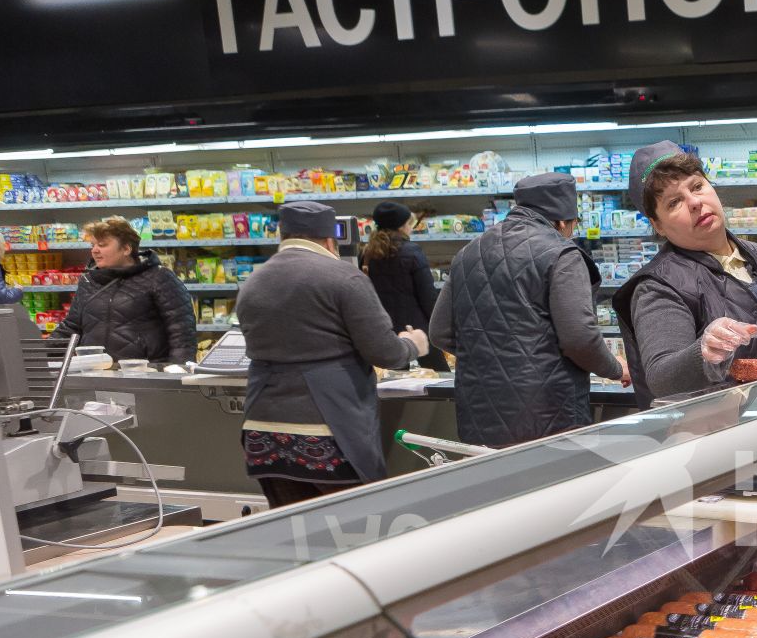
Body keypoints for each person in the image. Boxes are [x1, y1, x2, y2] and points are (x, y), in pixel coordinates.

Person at [617, 141, 757, 407]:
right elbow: (661, 378)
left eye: (697, 186)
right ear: (658, 225)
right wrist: (704, 351)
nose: (694, 202)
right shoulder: (658, 286)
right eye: (674, 202)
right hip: (727, 434)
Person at [236, 201, 429, 507]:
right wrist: (414, 344)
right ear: (329, 241)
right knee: (356, 522)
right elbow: (385, 352)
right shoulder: (343, 278)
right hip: (326, 428)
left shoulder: (253, 282)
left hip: (262, 430)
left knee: (295, 530)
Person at [432, 173, 628, 447]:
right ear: (562, 221)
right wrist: (616, 368)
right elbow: (579, 338)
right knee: (557, 487)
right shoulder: (562, 254)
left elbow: (440, 332)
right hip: (549, 414)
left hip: (479, 412)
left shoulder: (468, 253)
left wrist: (493, 354)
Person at [56, 215, 195, 365]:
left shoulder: (159, 277)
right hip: (94, 373)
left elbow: (181, 332)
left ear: (126, 249)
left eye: (102, 245)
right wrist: (37, 356)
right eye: (93, 245)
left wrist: (177, 372)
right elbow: (71, 327)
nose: (95, 251)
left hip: (144, 374)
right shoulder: (88, 281)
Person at [361, 200, 446, 372]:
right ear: (401, 227)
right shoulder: (412, 251)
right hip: (416, 328)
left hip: (385, 328)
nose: (411, 228)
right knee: (438, 375)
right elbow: (427, 295)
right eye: (409, 223)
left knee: (394, 381)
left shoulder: (367, 253)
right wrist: (439, 326)